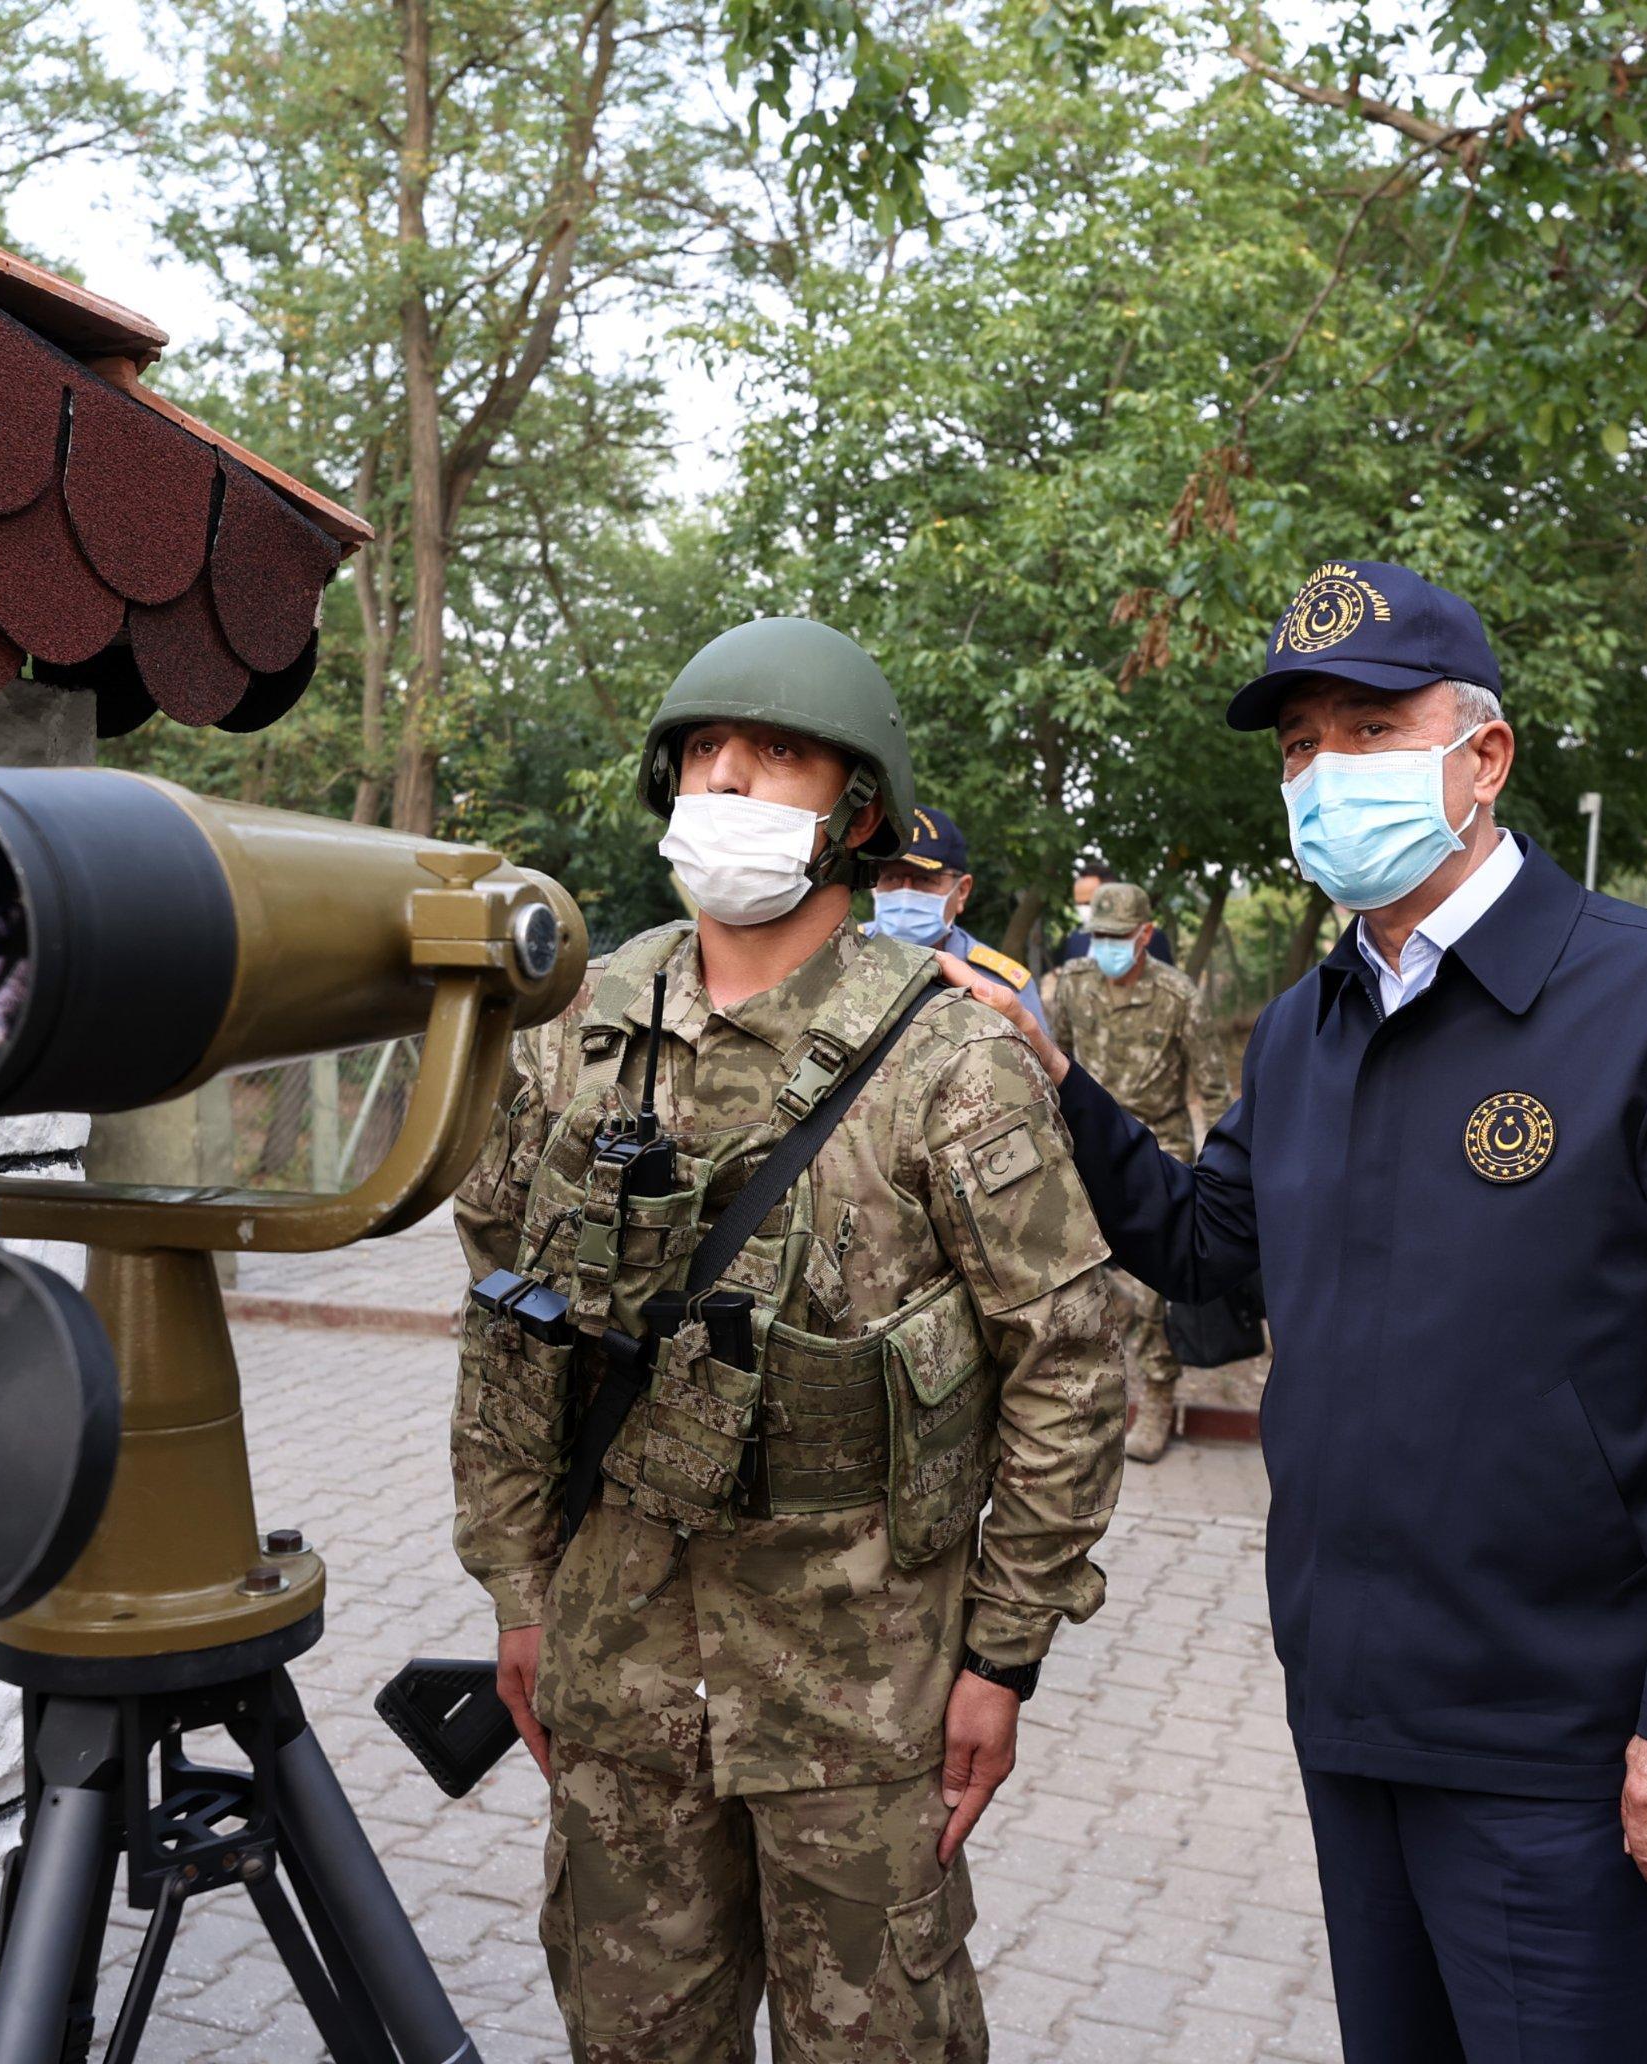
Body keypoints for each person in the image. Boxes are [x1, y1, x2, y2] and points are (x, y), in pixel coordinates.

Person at [942, 558, 1647, 2064]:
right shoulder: (1308, 1027)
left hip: (1575, 1739)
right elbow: (1213, 1255)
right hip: (1355, 1707)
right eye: (1300, 746)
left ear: (1481, 757)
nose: (1323, 773)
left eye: (1368, 730)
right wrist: (1066, 1092)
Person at [448, 616, 1126, 2064]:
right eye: (705, 752)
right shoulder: (585, 1023)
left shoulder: (951, 1058)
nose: (731, 782)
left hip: (865, 1701)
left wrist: (1002, 1661)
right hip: (621, 1667)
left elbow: (1070, 1364)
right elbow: (507, 1316)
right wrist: (515, 1584)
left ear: (855, 810)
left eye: (777, 756)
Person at [1034, 881, 1230, 1462]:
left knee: (1149, 1294)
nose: (1108, 946)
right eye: (1100, 936)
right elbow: (1053, 1064)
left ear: (1145, 935)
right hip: (1086, 1146)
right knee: (1072, 1278)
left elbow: (1214, 1088)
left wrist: (1219, 1177)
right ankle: (1083, 1400)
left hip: (1159, 1151)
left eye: (1120, 937)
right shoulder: (1072, 987)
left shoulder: (1178, 996)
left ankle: (1160, 1399)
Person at [865, 804, 1051, 1037]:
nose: (905, 893)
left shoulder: (1000, 985)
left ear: (961, 891)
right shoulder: (844, 953)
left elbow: (1041, 1069)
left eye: (924, 879)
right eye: (890, 877)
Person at [1055, 863, 1176, 966]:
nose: (1084, 909)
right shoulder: (1076, 940)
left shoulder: (1146, 937)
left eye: (1089, 902)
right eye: (1079, 904)